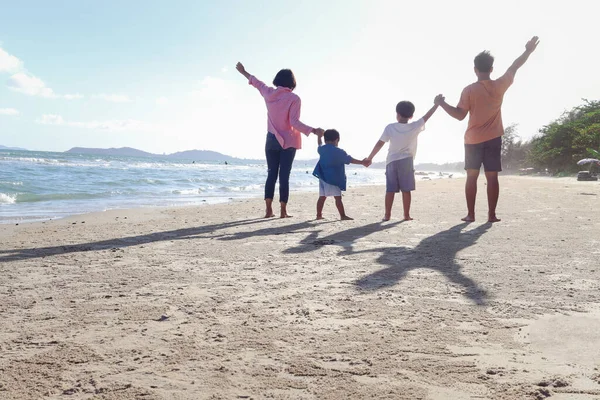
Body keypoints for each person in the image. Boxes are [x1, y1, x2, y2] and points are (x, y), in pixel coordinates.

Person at [437, 36, 540, 223]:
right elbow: (514, 66)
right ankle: (492, 215)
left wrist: (442, 103)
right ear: (491, 69)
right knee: (492, 177)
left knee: (472, 177)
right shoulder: (500, 84)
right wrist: (528, 51)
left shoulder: (469, 90)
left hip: (473, 139)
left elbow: (460, 115)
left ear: (475, 69)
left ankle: (471, 215)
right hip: (493, 138)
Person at [236, 62, 324, 218]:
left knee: (271, 174)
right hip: (288, 141)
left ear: (277, 80)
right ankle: (283, 211)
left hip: (271, 140)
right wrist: (314, 130)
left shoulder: (268, 93)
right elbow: (294, 122)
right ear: (292, 83)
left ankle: (268, 210)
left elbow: (256, 81)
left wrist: (243, 71)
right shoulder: (294, 98)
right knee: (284, 175)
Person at [365, 96, 443, 221]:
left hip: (391, 161)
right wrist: (437, 104)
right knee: (406, 190)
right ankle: (406, 215)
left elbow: (380, 143)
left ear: (397, 114)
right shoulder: (415, 126)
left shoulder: (390, 127)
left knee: (390, 190)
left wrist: (369, 158)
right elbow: (427, 116)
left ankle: (387, 215)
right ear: (411, 116)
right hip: (406, 161)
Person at [313, 129, 368, 220]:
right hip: (332, 179)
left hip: (322, 177)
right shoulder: (338, 151)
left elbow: (319, 144)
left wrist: (319, 136)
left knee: (322, 197)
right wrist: (362, 162)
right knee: (338, 198)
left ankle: (318, 215)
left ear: (325, 139)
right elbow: (350, 160)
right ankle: (342, 215)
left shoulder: (322, 149)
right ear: (337, 140)